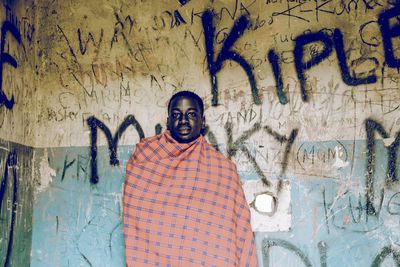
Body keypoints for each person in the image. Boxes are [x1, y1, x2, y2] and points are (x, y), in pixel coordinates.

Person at [123, 91, 258, 266]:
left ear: (202, 121)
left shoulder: (223, 169)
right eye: (176, 115)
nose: (184, 120)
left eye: (191, 114)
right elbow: (138, 215)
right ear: (168, 121)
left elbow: (240, 227)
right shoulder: (146, 158)